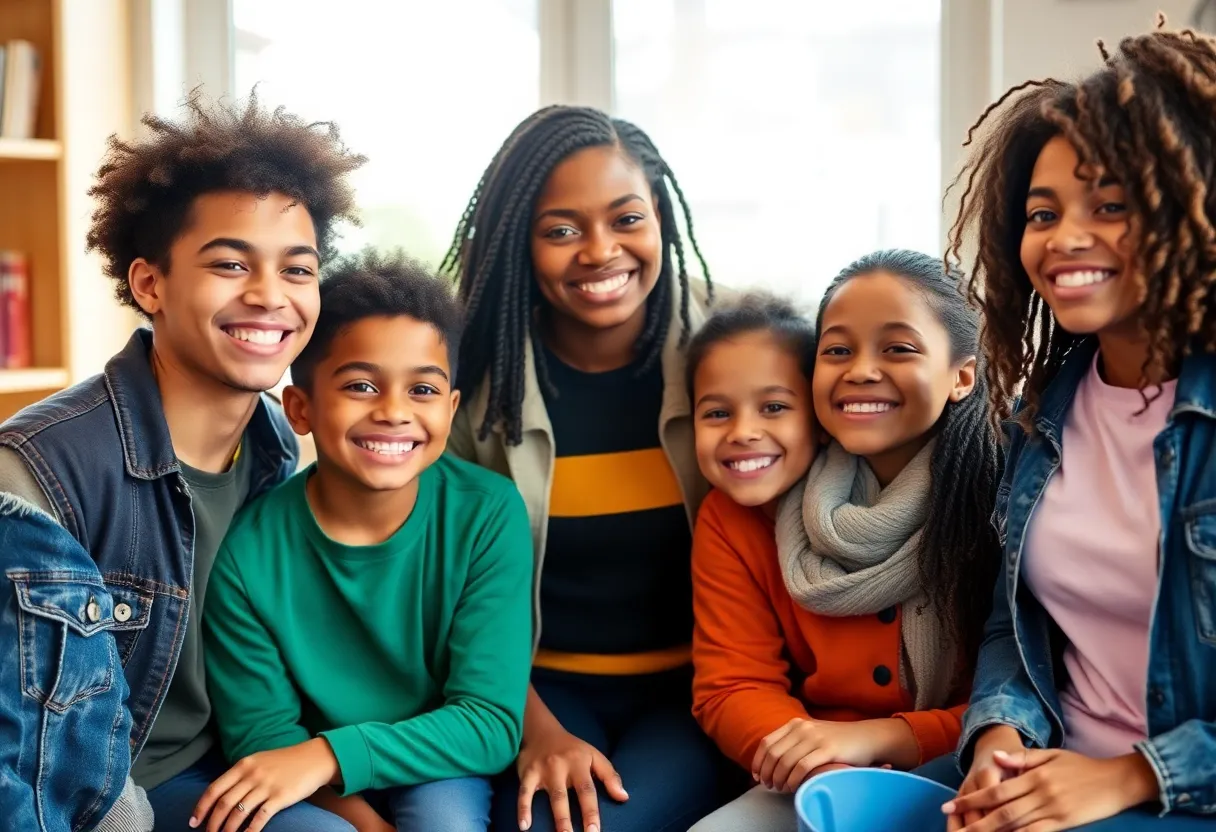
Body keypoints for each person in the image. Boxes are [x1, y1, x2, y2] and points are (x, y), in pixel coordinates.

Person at [0, 92, 364, 831]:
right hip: (101, 796)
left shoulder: (277, 447)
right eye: (231, 264)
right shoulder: (36, 474)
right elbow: (23, 769)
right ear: (150, 284)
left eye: (298, 271)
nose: (270, 297)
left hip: (227, 767)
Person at [920, 20, 1216, 832]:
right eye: (1042, 213)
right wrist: (999, 742)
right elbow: (1019, 629)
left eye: (1110, 204)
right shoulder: (1041, 414)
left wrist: (1127, 777)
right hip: (1047, 785)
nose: (1064, 239)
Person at [441, 104, 722, 832]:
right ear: (519, 246)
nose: (601, 251)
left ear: (660, 215)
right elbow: (443, 593)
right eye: (561, 230)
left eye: (626, 218)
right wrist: (537, 731)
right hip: (533, 691)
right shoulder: (466, 392)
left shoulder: (730, 366)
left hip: (693, 695)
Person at [193, 251, 533, 832]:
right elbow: (266, 738)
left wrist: (329, 755)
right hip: (307, 773)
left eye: (423, 390)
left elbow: (489, 723)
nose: (394, 412)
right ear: (300, 408)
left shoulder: (488, 512)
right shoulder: (248, 554)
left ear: (450, 410)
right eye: (361, 385)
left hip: (437, 753)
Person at [689, 252, 1003, 831]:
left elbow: (1025, 687)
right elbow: (733, 684)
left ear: (962, 375)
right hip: (812, 772)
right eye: (837, 350)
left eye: (898, 348)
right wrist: (825, 763)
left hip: (969, 764)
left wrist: (889, 739)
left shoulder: (1003, 493)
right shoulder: (750, 509)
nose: (860, 370)